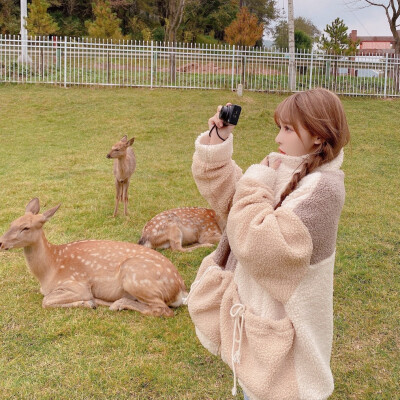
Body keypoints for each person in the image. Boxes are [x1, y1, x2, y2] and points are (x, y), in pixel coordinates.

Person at [186, 88, 351, 400]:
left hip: (286, 349)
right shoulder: (289, 168)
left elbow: (257, 241)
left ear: (317, 136)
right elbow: (237, 204)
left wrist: (257, 181)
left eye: (287, 129)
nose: (278, 138)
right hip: (261, 328)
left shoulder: (323, 190)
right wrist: (216, 145)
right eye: (280, 127)